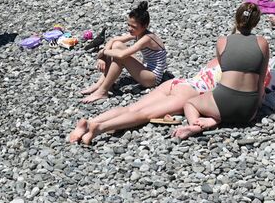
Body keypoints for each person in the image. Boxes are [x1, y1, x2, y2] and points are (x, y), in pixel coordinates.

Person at [173, 3, 270, 139]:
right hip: (249, 112)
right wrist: (258, 102)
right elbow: (261, 81)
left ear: (236, 19)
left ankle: (196, 125)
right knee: (228, 107)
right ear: (255, 23)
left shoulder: (222, 42)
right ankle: (215, 120)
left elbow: (223, 68)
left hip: (223, 102)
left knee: (190, 103)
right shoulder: (263, 43)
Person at [69, 58, 221, 144]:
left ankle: (89, 122)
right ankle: (100, 127)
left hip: (178, 83)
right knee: (144, 114)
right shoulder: (236, 69)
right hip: (190, 92)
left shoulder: (217, 59)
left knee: (131, 108)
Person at [80, 1, 169, 102]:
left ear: (145, 26)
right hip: (145, 68)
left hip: (152, 78)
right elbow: (113, 40)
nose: (130, 29)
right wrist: (102, 57)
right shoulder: (138, 32)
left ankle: (103, 91)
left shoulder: (147, 38)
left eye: (133, 27)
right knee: (117, 44)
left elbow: (122, 55)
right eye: (128, 25)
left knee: (120, 57)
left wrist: (103, 52)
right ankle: (99, 84)